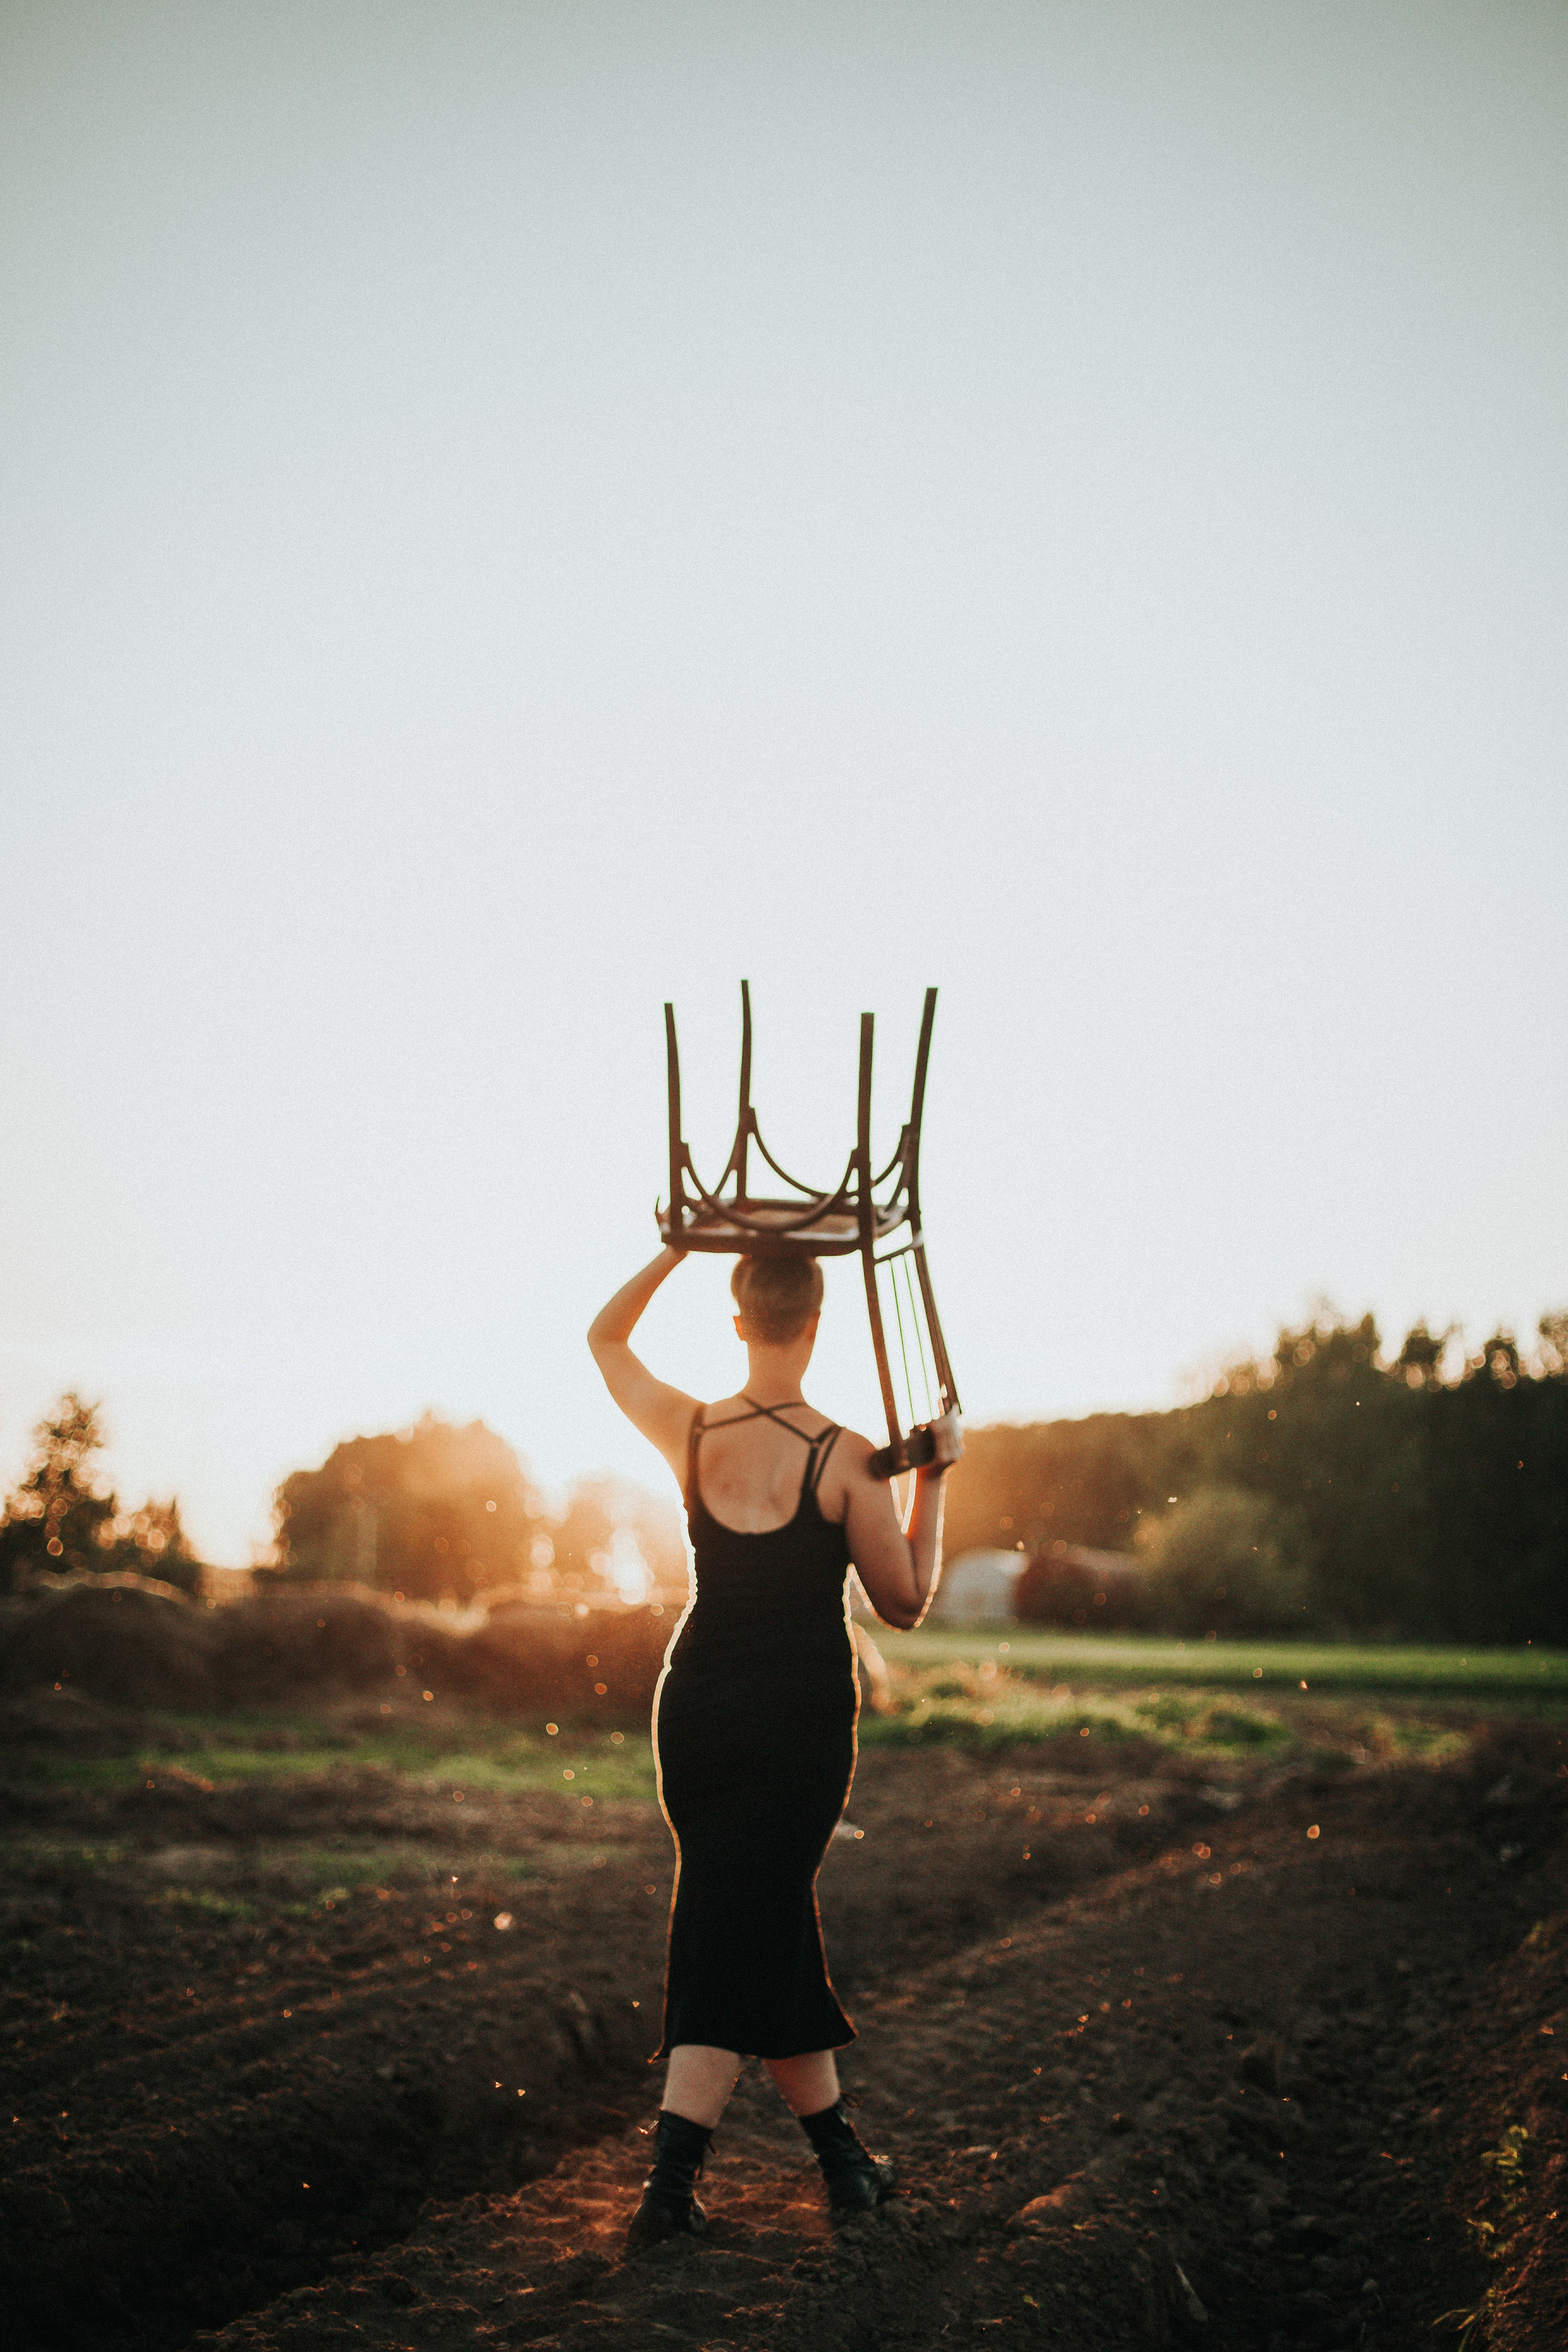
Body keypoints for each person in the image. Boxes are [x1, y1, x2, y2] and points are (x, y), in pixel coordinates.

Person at [587, 1243, 962, 2245]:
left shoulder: (691, 1427)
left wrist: (677, 1244)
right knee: (748, 1914)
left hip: (698, 1707)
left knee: (745, 1909)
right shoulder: (844, 1456)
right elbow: (905, 1602)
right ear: (817, 1323)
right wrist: (936, 1480)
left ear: (740, 1321)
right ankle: (671, 2188)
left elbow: (605, 1338)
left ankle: (844, 2164)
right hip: (799, 1720)